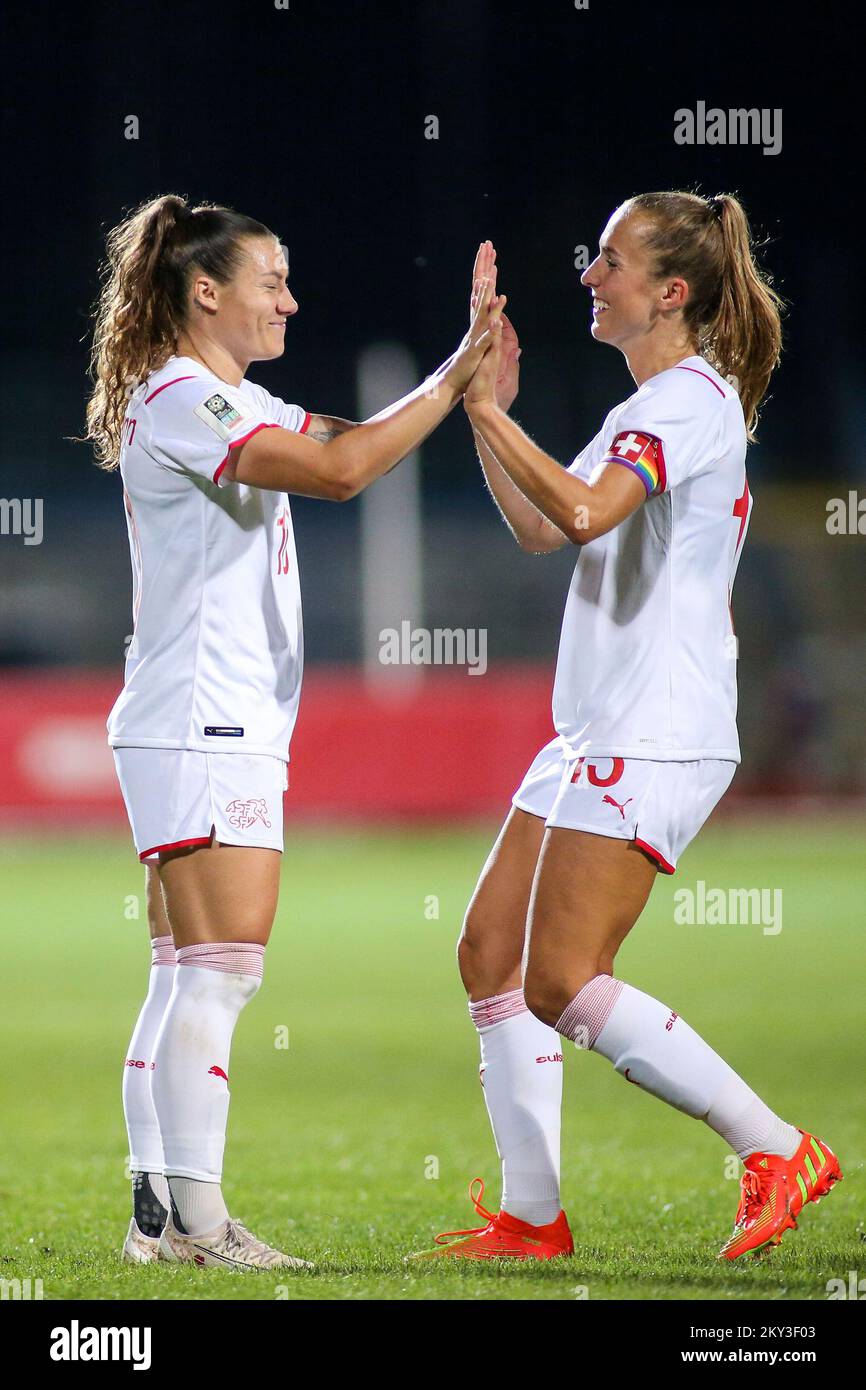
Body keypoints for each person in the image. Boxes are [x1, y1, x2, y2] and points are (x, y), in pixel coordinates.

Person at [410, 195, 842, 1264]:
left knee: (558, 978)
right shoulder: (642, 407)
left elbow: (584, 512)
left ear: (670, 291)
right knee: (487, 954)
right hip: (594, 727)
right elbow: (537, 526)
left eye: (607, 258)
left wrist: (487, 408)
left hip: (654, 727)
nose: (587, 274)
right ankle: (531, 1216)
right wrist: (482, 410)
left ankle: (776, 1146)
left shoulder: (690, 400)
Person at [83, 194, 500, 1270]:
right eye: (271, 281)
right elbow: (340, 472)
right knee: (220, 973)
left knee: (184, 972)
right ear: (205, 290)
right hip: (202, 717)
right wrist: (455, 380)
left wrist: (452, 377)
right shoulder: (186, 398)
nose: (290, 300)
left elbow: (346, 435)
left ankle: (159, 1222)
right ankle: (202, 1224)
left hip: (199, 718)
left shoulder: (224, 398)